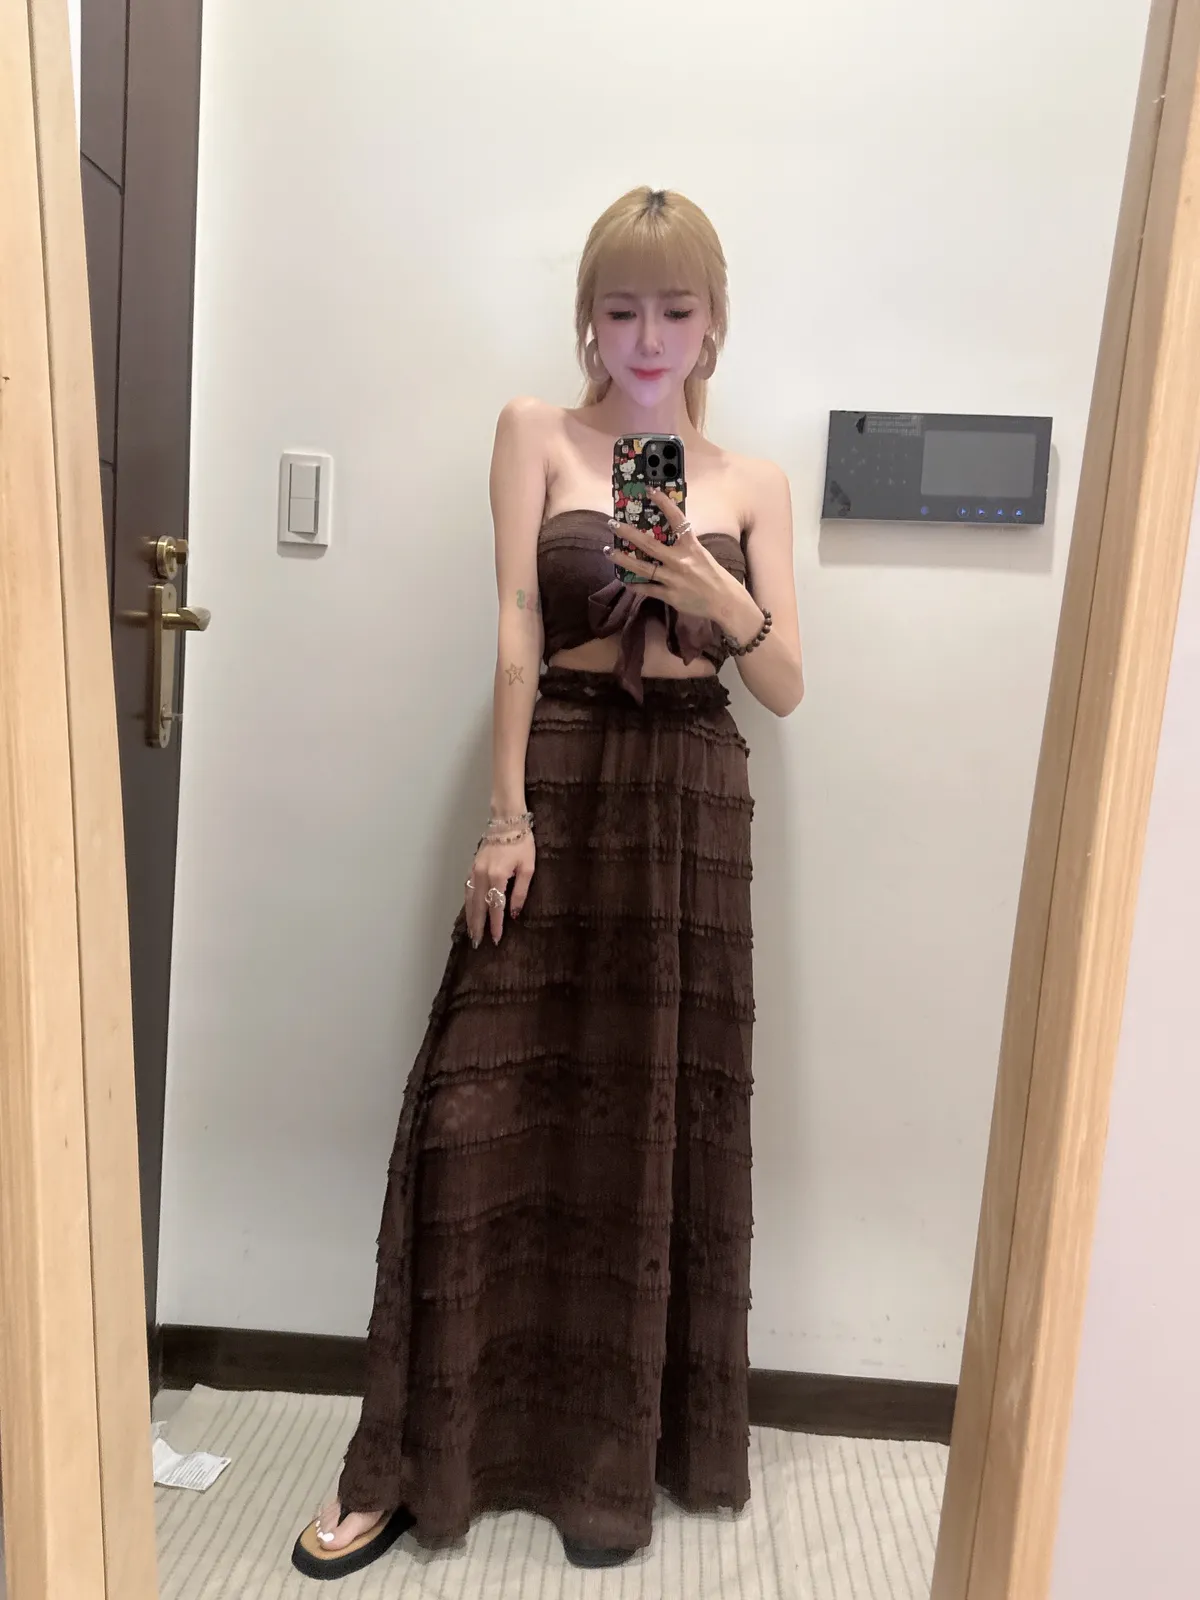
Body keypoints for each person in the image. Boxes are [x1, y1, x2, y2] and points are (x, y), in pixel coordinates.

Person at [290, 185, 804, 1582]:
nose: (648, 336)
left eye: (675, 310)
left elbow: (785, 684)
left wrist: (718, 596)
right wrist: (505, 816)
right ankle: (412, 1459)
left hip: (691, 799)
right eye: (621, 308)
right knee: (474, 1106)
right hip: (563, 776)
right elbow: (519, 626)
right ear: (588, 319)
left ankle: (606, 1466)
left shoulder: (753, 483)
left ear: (713, 325)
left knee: (652, 1116)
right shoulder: (535, 433)